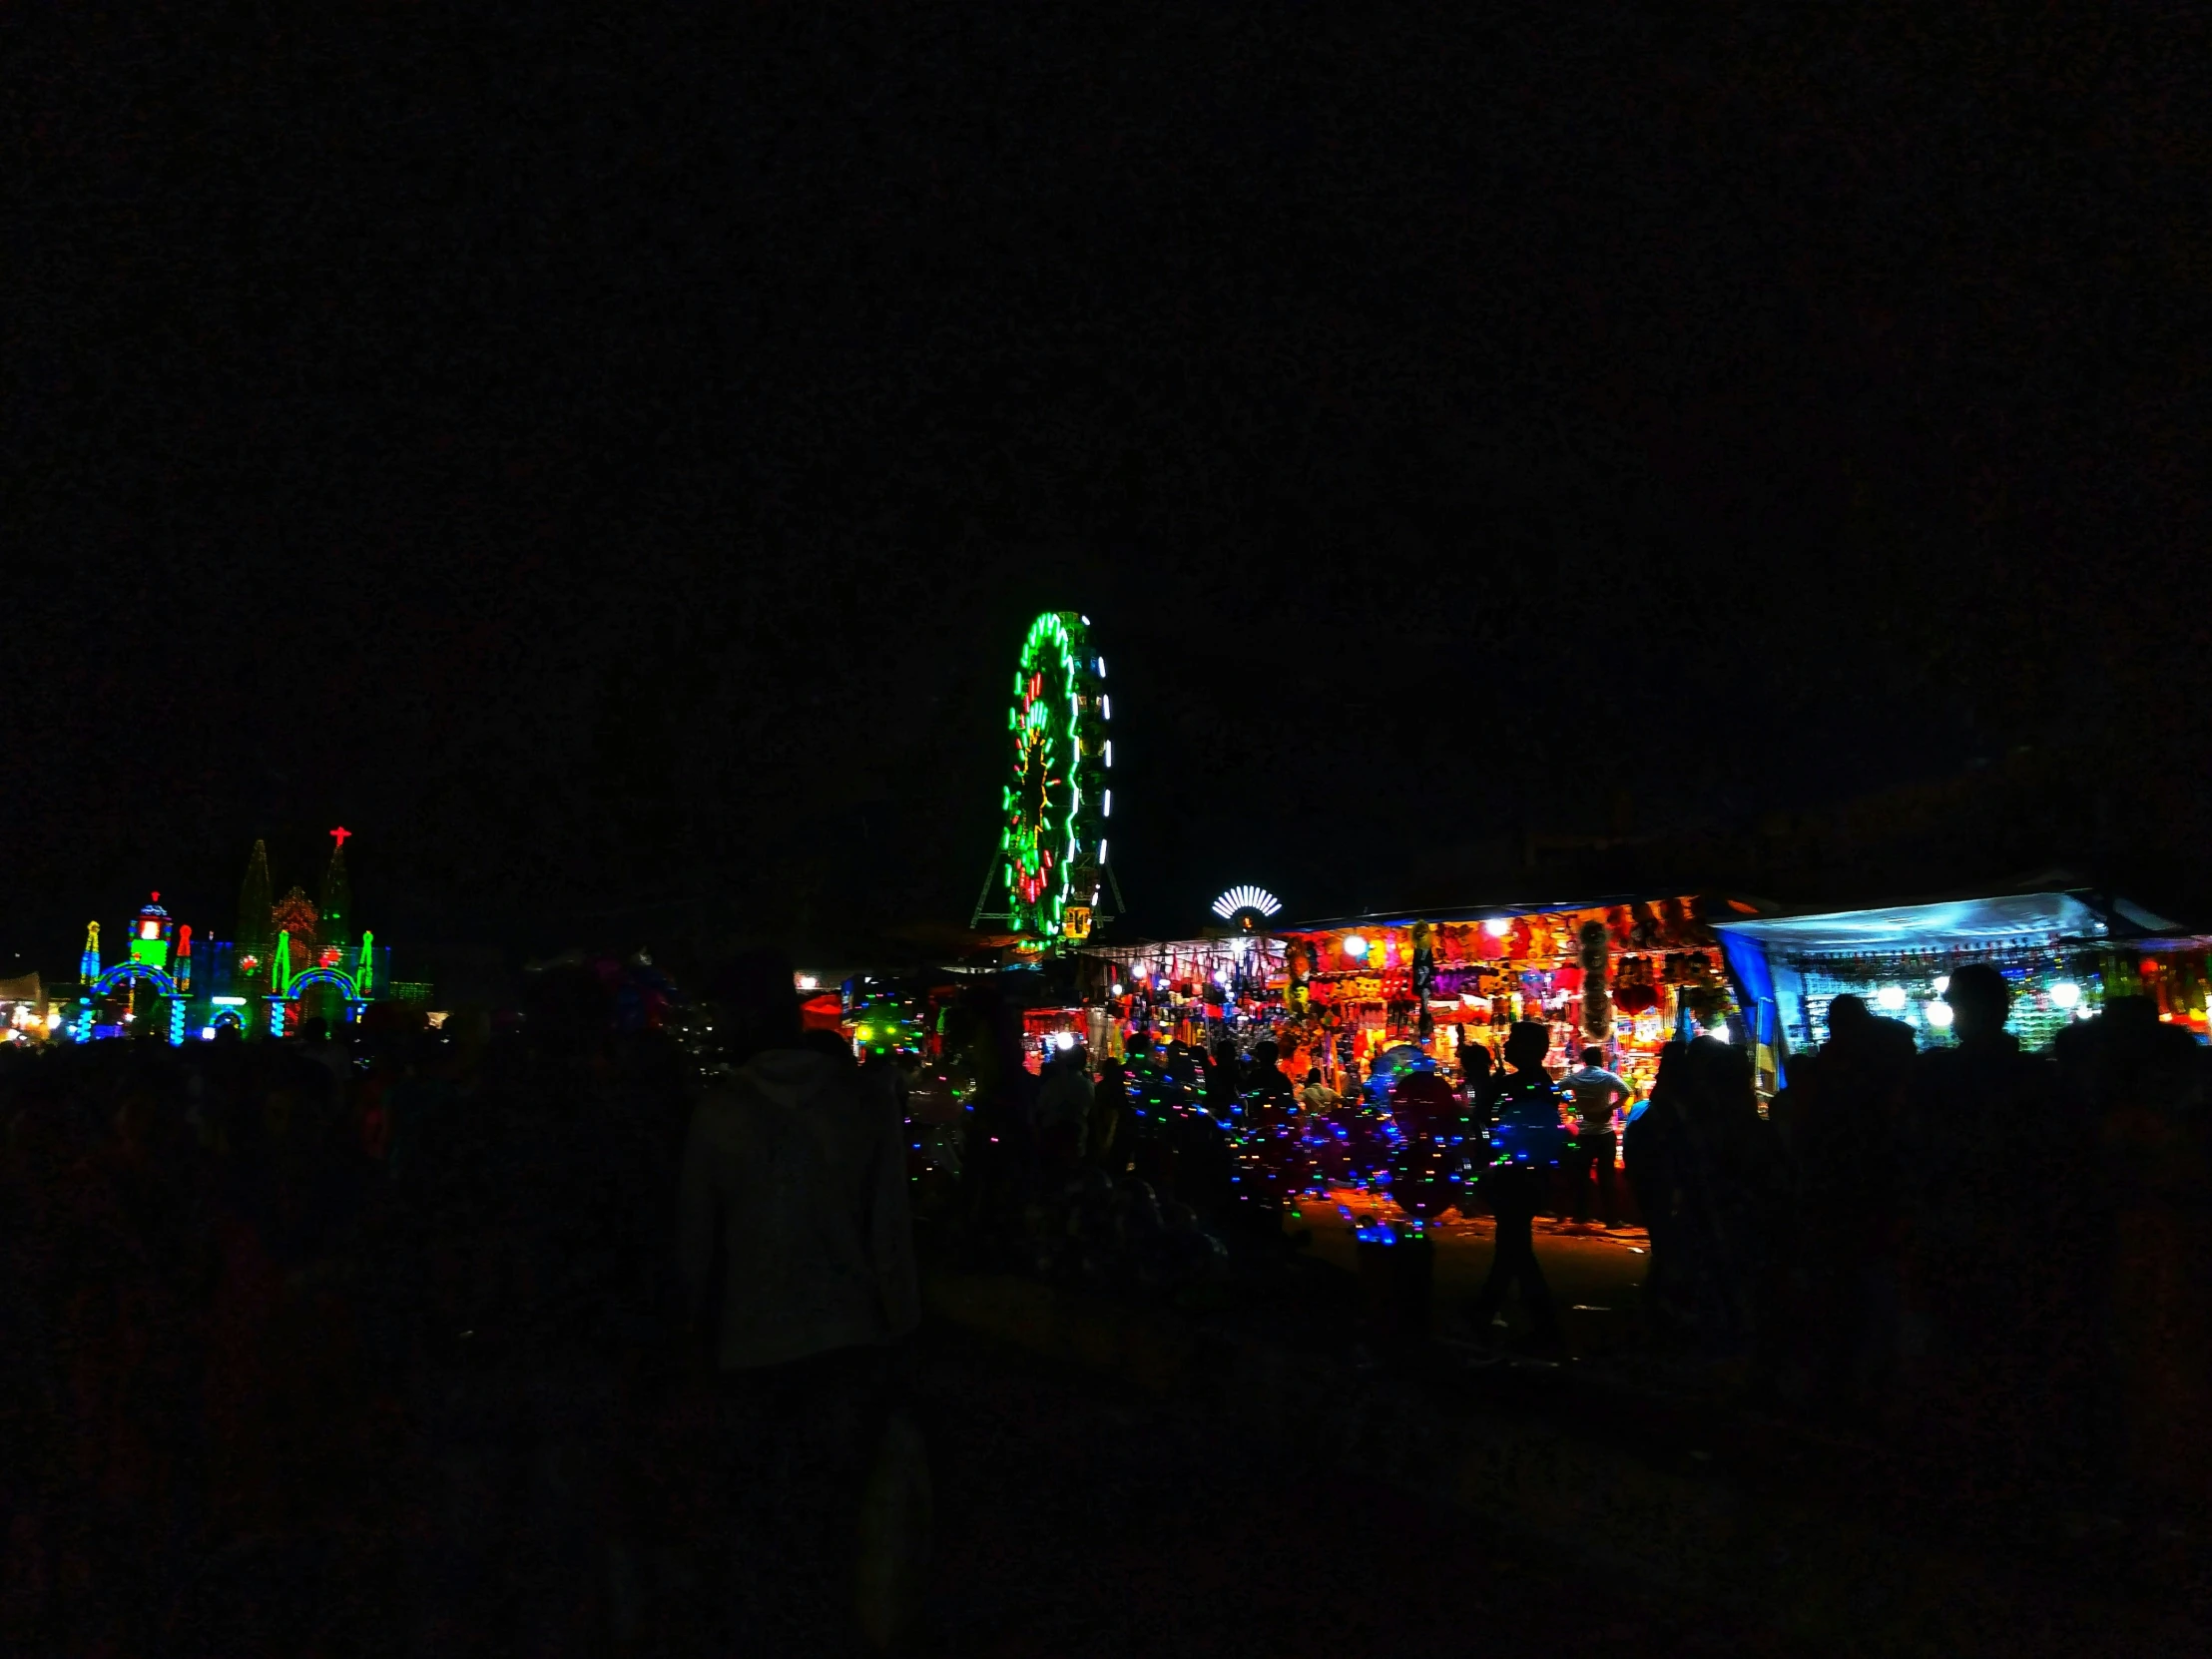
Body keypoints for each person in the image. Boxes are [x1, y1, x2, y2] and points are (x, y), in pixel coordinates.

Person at [679, 949, 921, 1649]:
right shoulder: (862, 1104)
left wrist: (689, 1338)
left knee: (760, 1524)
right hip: (850, 1341)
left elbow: (696, 1246)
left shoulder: (720, 1113)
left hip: (750, 1346)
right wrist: (902, 1335)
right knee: (837, 1525)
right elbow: (891, 1237)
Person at [1463, 1022, 1567, 1358]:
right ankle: (1488, 1310)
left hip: (1514, 1172)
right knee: (1512, 1243)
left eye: (1512, 1042)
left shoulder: (1515, 1084)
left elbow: (1486, 1120)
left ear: (1527, 1048)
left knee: (1514, 1245)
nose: (1505, 1047)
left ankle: (1541, 1321)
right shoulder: (1543, 1085)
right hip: (1529, 1172)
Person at [1559, 1045, 1629, 1228]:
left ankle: (1582, 1215)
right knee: (1607, 1176)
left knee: (1581, 1176)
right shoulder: (1608, 1077)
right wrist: (1610, 1108)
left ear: (1584, 1061)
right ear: (1601, 1060)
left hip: (1585, 1134)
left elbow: (1555, 1088)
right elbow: (1626, 1092)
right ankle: (1611, 1219)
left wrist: (1573, 1105)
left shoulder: (1576, 1077)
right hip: (1605, 1133)